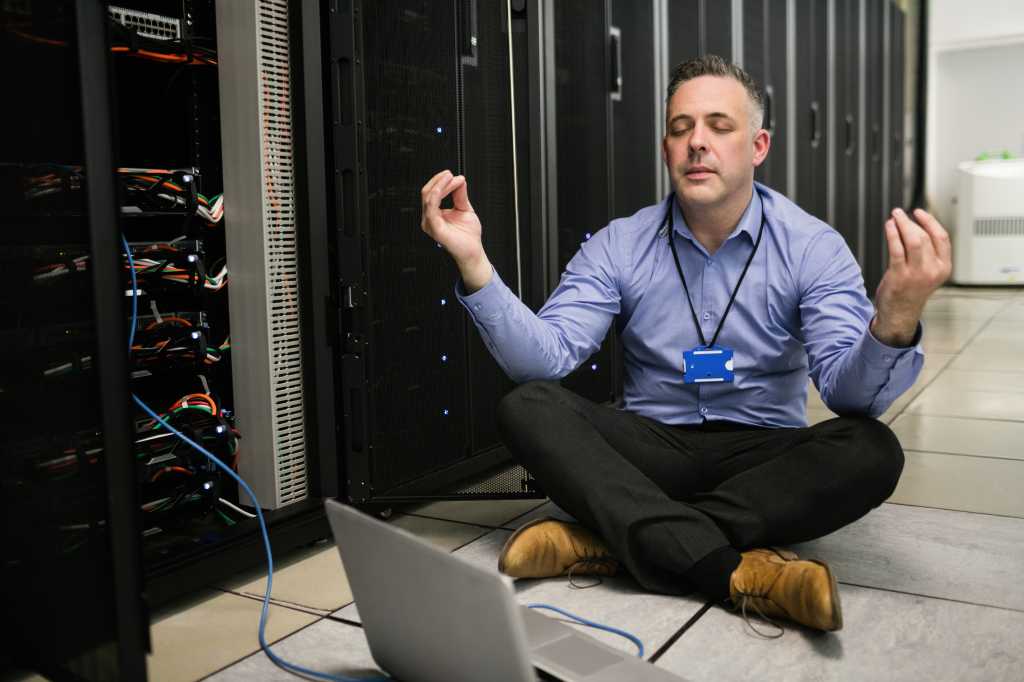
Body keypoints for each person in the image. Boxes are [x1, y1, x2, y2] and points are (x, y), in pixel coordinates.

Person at [418, 55, 951, 635]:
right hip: (651, 449)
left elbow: (852, 397)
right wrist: (474, 263)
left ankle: (611, 539)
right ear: (667, 148)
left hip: (763, 456)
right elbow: (543, 361)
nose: (698, 142)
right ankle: (736, 568)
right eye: (681, 128)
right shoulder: (620, 244)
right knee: (527, 408)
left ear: (758, 146)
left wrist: (895, 316)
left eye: (720, 127)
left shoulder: (813, 247)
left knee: (872, 448)